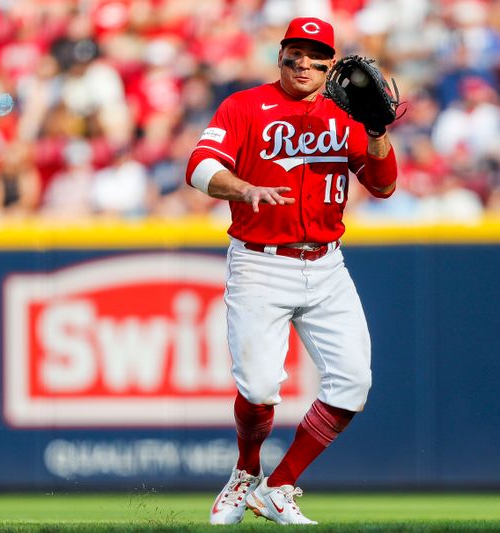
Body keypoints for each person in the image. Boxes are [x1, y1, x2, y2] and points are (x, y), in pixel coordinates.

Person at [184, 17, 399, 526]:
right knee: (259, 389)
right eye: (293, 53)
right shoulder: (244, 106)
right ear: (279, 56)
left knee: (352, 384)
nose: (303, 62)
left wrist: (375, 133)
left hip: (326, 264)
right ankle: (245, 474)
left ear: (333, 63)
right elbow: (198, 166)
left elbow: (384, 185)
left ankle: (278, 487)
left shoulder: (348, 115)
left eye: (315, 55)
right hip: (261, 261)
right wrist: (243, 189)